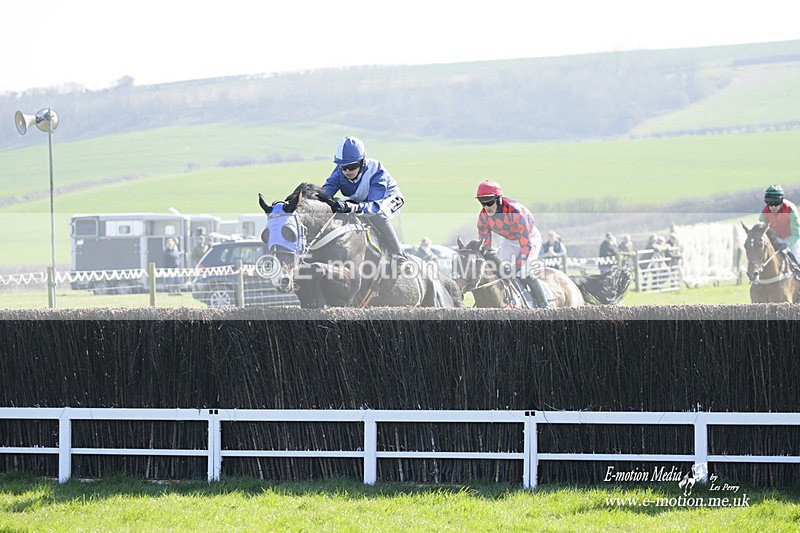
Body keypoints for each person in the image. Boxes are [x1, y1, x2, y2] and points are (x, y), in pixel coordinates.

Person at [321, 136, 409, 269]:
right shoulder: (339, 173)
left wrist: (351, 207)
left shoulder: (376, 170)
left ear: (362, 162)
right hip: (361, 200)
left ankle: (399, 256)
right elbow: (324, 194)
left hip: (388, 198)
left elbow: (374, 206)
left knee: (378, 214)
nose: (347, 171)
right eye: (343, 167)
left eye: (352, 166)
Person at [475, 179, 554, 308]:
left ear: (498, 199)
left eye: (489, 202)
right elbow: (485, 246)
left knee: (524, 271)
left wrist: (516, 267)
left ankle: (545, 306)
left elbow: (526, 245)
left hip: (529, 238)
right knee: (500, 270)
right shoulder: (483, 217)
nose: (486, 207)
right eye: (482, 203)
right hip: (508, 239)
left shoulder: (516, 213)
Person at [759, 184, 800, 263]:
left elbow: (796, 234)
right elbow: (764, 234)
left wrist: (786, 243)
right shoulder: (763, 215)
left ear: (781, 202)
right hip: (776, 240)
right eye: (770, 203)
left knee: (797, 259)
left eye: (776, 203)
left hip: (792, 239)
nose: (773, 206)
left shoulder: (791, 209)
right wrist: (774, 241)